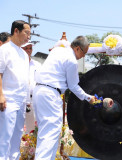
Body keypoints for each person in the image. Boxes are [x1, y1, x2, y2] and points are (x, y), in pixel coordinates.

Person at [33, 36, 96, 160]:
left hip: (39, 91)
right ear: (77, 48)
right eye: (84, 53)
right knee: (51, 132)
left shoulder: (57, 50)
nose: (83, 56)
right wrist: (88, 98)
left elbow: (62, 43)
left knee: (45, 132)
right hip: (51, 94)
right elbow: (73, 85)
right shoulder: (72, 61)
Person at [0, 20, 31, 160]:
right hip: (8, 99)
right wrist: (1, 95)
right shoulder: (4, 50)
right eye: (27, 33)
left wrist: (27, 100)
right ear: (16, 31)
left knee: (17, 136)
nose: (29, 36)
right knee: (4, 136)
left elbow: (25, 78)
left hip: (21, 100)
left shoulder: (24, 55)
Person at [22, 41, 41, 133]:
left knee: (33, 129)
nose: (29, 50)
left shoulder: (37, 65)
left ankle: (32, 147)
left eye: (30, 48)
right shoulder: (16, 64)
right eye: (26, 48)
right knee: (21, 129)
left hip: (34, 100)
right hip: (20, 100)